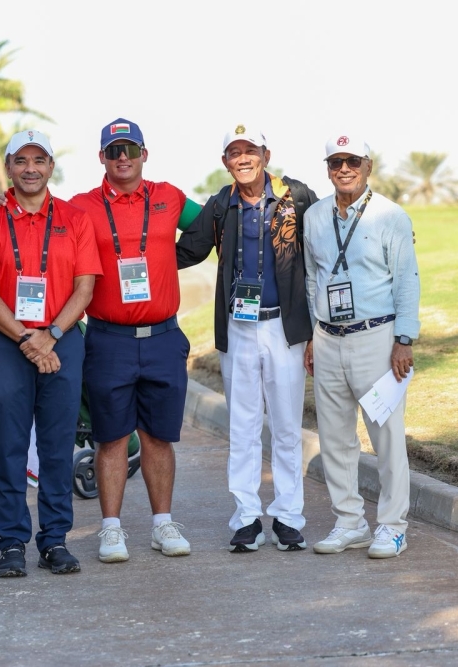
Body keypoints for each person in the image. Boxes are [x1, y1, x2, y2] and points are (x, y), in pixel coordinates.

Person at [176, 124, 318, 553]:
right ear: (225, 162)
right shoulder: (221, 203)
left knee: (287, 426)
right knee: (242, 426)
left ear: (266, 154)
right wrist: (130, 256)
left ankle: (289, 518)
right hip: (238, 328)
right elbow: (188, 249)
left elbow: (327, 243)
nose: (243, 158)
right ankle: (246, 518)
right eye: (234, 152)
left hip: (284, 329)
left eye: (250, 150)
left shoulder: (298, 197)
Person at [0, 129, 102, 577]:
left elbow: (85, 286)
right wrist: (29, 340)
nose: (31, 169)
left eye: (39, 160)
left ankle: (54, 540)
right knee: (10, 448)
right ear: (9, 167)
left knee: (57, 446)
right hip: (10, 345)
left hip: (62, 339)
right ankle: (11, 543)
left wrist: (52, 333)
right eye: (21, 161)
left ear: (51, 166)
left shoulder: (74, 218)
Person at [69, 118, 200, 563]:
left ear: (145, 153)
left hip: (163, 337)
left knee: (158, 437)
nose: (121, 158)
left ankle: (163, 525)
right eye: (113, 151)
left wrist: (168, 260)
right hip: (108, 339)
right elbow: (37, 223)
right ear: (102, 158)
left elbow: (212, 228)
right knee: (110, 437)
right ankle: (111, 530)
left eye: (129, 149)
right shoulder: (82, 206)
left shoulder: (169, 197)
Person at [303, 134, 420, 559]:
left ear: (368, 165)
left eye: (352, 161)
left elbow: (406, 279)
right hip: (329, 338)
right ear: (328, 168)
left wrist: (403, 340)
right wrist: (314, 333)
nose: (344, 169)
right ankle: (349, 522)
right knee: (334, 438)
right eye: (335, 162)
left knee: (386, 438)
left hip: (376, 336)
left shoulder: (390, 215)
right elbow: (312, 278)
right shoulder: (315, 216)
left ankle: (392, 526)